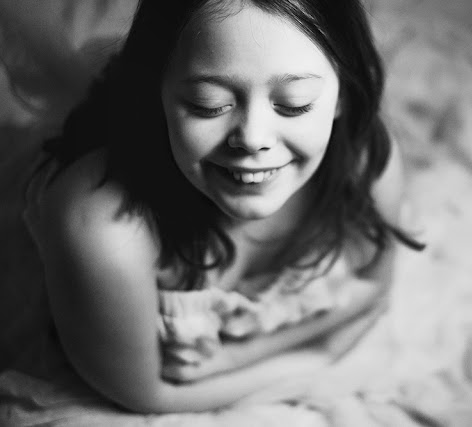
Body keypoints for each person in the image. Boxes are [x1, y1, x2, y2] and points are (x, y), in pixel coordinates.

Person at [18, 0, 424, 415]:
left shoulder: (363, 159)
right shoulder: (102, 225)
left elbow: (376, 290)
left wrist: (244, 358)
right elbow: (145, 393)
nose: (252, 138)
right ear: (156, 93)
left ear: (342, 95)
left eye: (295, 103)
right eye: (208, 104)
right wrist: (319, 353)